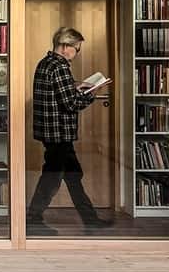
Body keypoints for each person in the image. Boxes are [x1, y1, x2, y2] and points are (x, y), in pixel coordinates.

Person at [27, 27, 113, 235]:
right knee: (52, 177)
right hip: (59, 134)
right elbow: (70, 103)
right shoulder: (61, 66)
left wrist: (77, 87)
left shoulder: (45, 63)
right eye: (77, 49)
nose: (76, 54)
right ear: (65, 47)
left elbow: (57, 92)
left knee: (73, 177)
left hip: (51, 133)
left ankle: (90, 220)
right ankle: (32, 221)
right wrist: (91, 93)